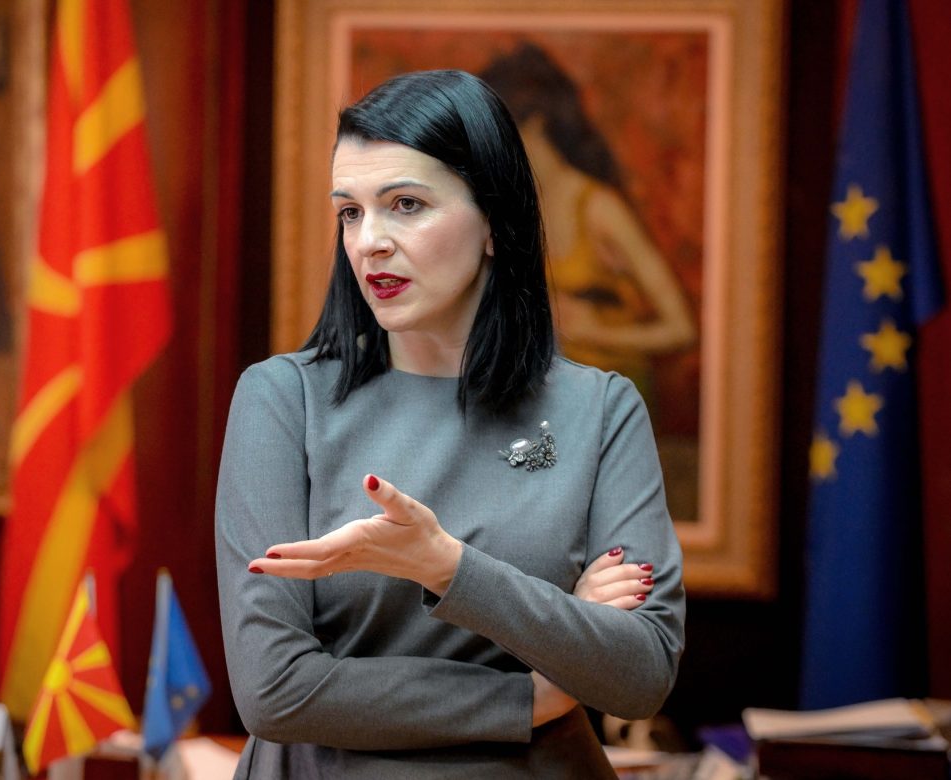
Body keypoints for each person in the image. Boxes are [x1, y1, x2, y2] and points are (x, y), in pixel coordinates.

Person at [215, 69, 684, 777]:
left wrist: (446, 565)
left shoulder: (601, 410)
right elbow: (276, 692)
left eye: (405, 205)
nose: (369, 242)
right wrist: (531, 694)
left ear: (494, 221)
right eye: (350, 212)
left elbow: (641, 674)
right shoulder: (281, 399)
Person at [480, 44, 696, 406]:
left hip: (609, 395)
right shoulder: (514, 207)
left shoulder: (599, 209)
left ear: (535, 124)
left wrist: (592, 332)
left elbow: (681, 329)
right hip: (549, 394)